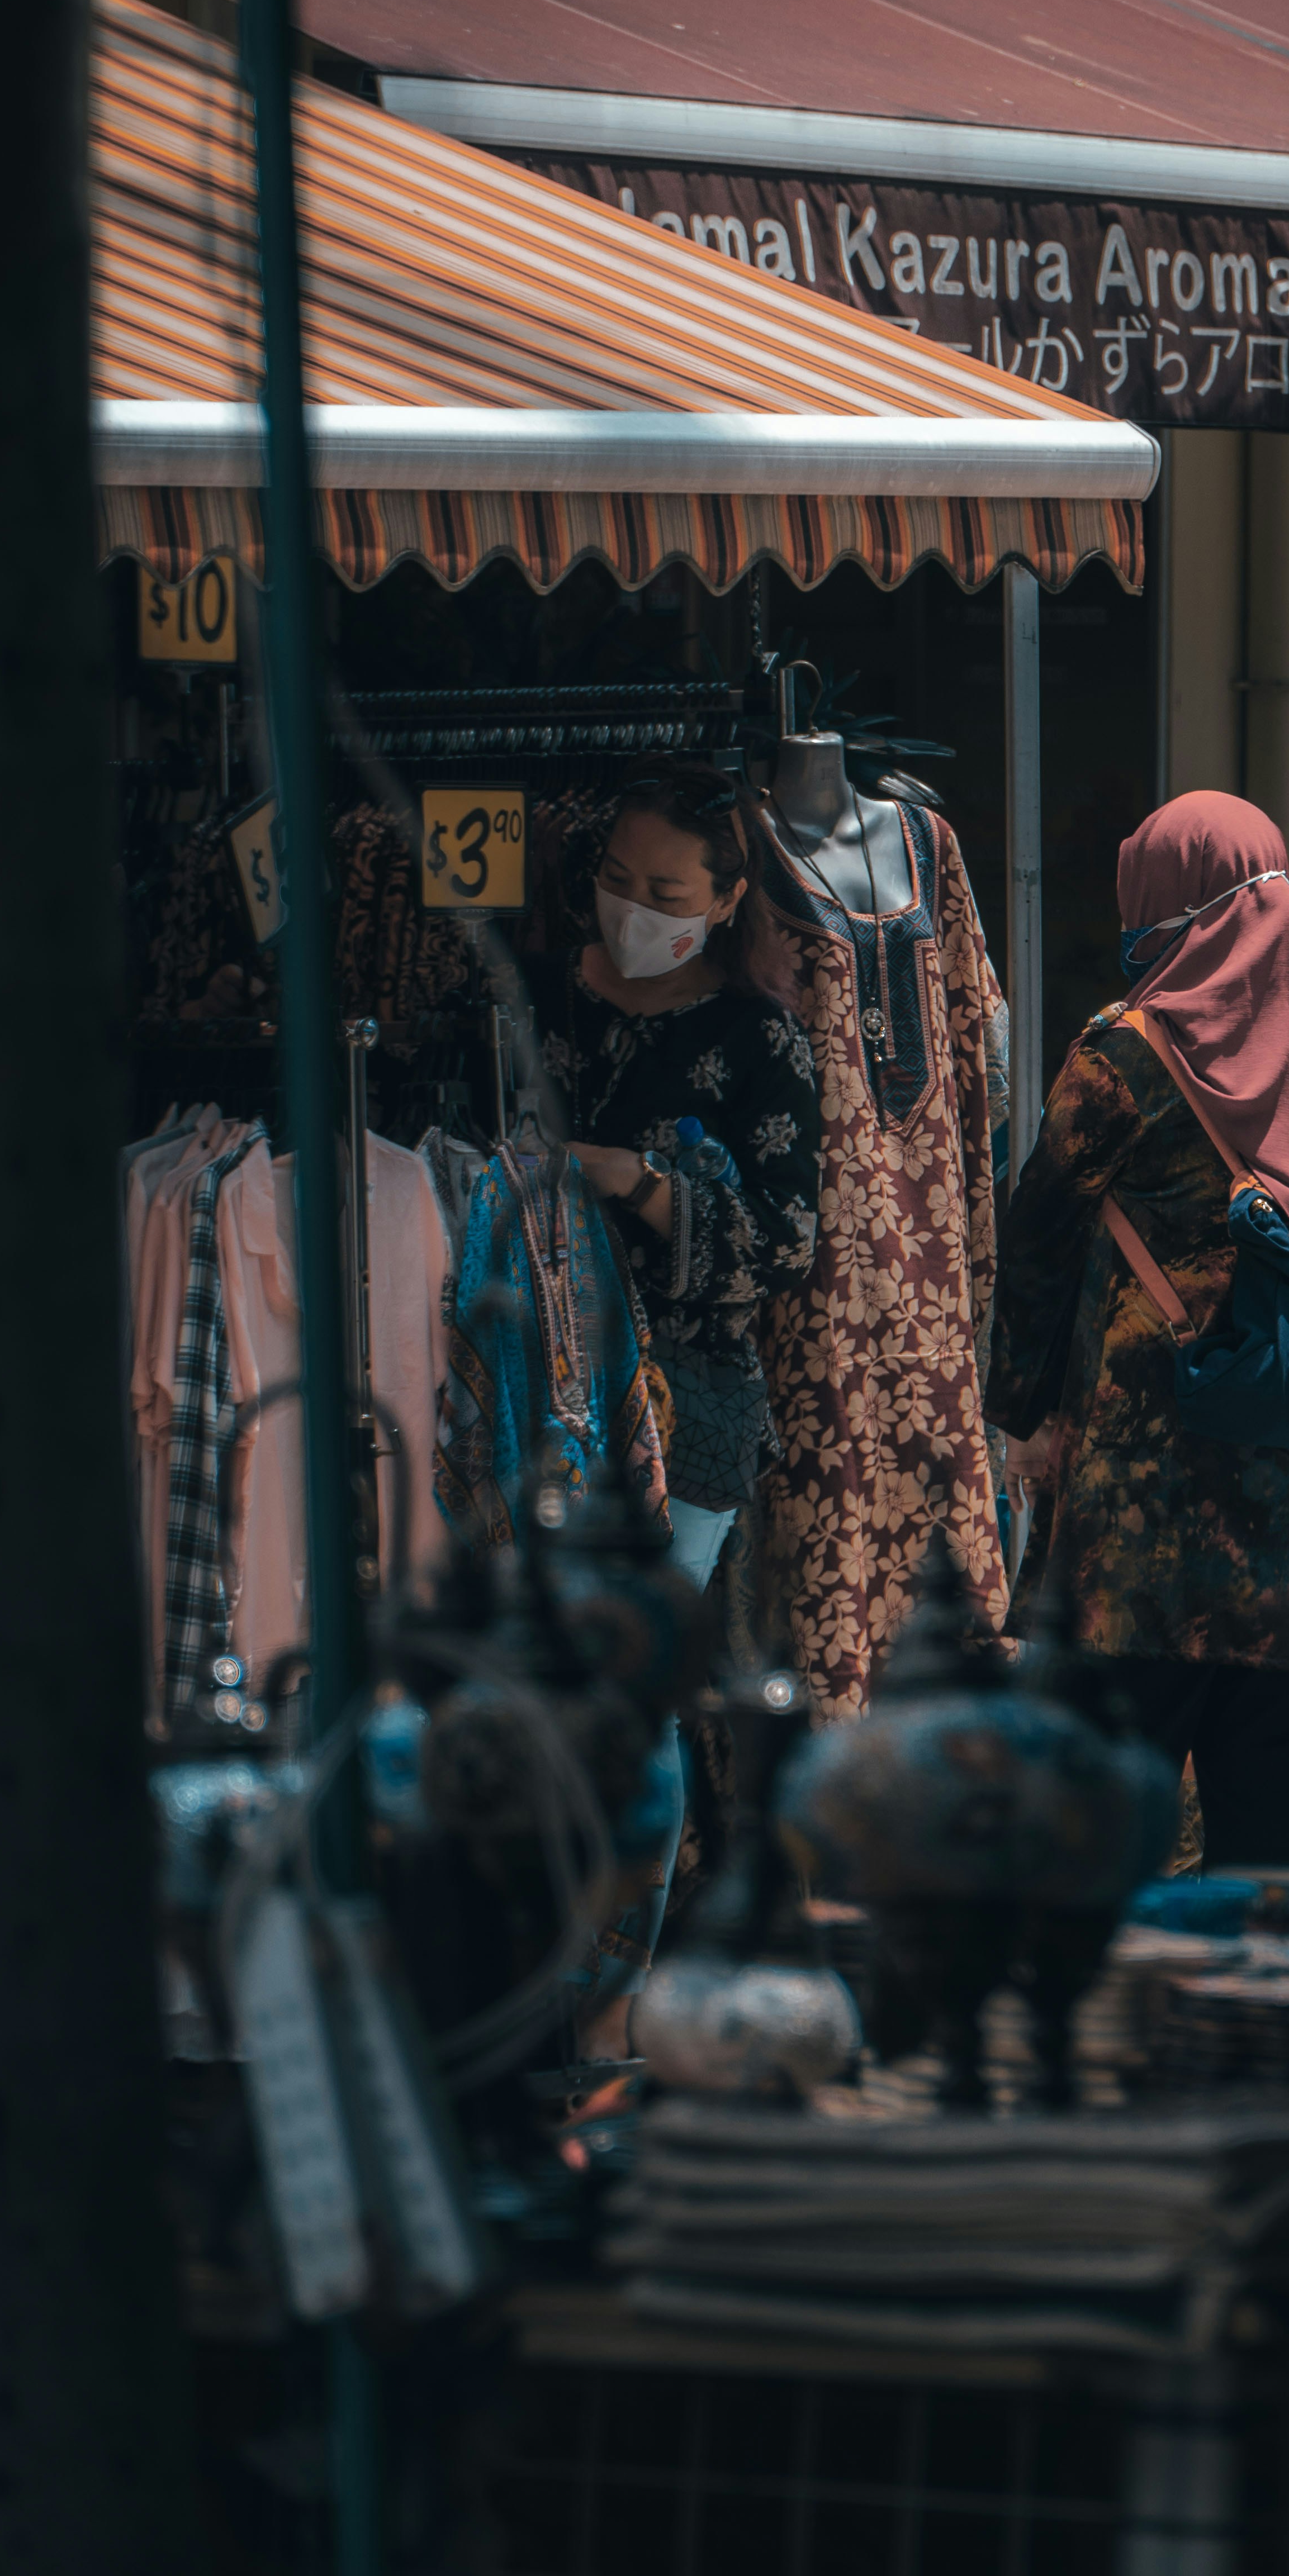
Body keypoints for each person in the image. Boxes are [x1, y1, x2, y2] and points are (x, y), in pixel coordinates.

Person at [985, 791, 1289, 1870]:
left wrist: (1019, 1415)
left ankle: (1120, 2038)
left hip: (1148, 1531)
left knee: (1103, 1852)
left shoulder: (1126, 1055)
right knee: (1267, 1857)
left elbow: (1037, 1240)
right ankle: (1252, 2035)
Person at [522, 767, 822, 1938]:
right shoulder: (539, 1002)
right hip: (523, 1391)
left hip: (686, 1405)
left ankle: (608, 1994)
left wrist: (639, 1185)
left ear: (724, 896)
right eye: (611, 881)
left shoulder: (759, 1044)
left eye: (661, 890)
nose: (629, 909)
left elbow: (788, 1246)